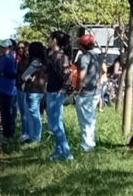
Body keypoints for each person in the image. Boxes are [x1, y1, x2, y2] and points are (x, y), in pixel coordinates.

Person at [45, 31, 74, 161]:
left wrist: (62, 90)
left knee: (55, 124)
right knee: (56, 123)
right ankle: (59, 151)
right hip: (52, 91)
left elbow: (68, 76)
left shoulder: (60, 57)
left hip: (56, 93)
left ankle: (67, 153)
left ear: (55, 41)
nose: (48, 40)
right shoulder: (53, 56)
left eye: (50, 39)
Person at [74, 33, 102, 152]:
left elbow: (81, 76)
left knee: (85, 120)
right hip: (95, 91)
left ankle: (87, 146)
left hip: (85, 93)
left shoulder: (84, 57)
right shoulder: (98, 56)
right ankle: (91, 143)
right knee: (91, 119)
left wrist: (77, 90)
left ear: (82, 45)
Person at [19, 41, 47, 143]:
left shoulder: (35, 62)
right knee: (36, 114)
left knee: (33, 114)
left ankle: (35, 137)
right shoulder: (44, 62)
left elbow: (24, 76)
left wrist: (27, 78)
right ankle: (34, 136)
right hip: (41, 90)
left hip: (32, 90)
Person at [0, 39, 19, 141]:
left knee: (7, 112)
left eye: (5, 47)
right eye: (2, 47)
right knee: (8, 112)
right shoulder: (6, 57)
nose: (3, 49)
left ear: (11, 47)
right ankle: (8, 133)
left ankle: (7, 134)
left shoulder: (7, 58)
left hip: (7, 89)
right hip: (5, 88)